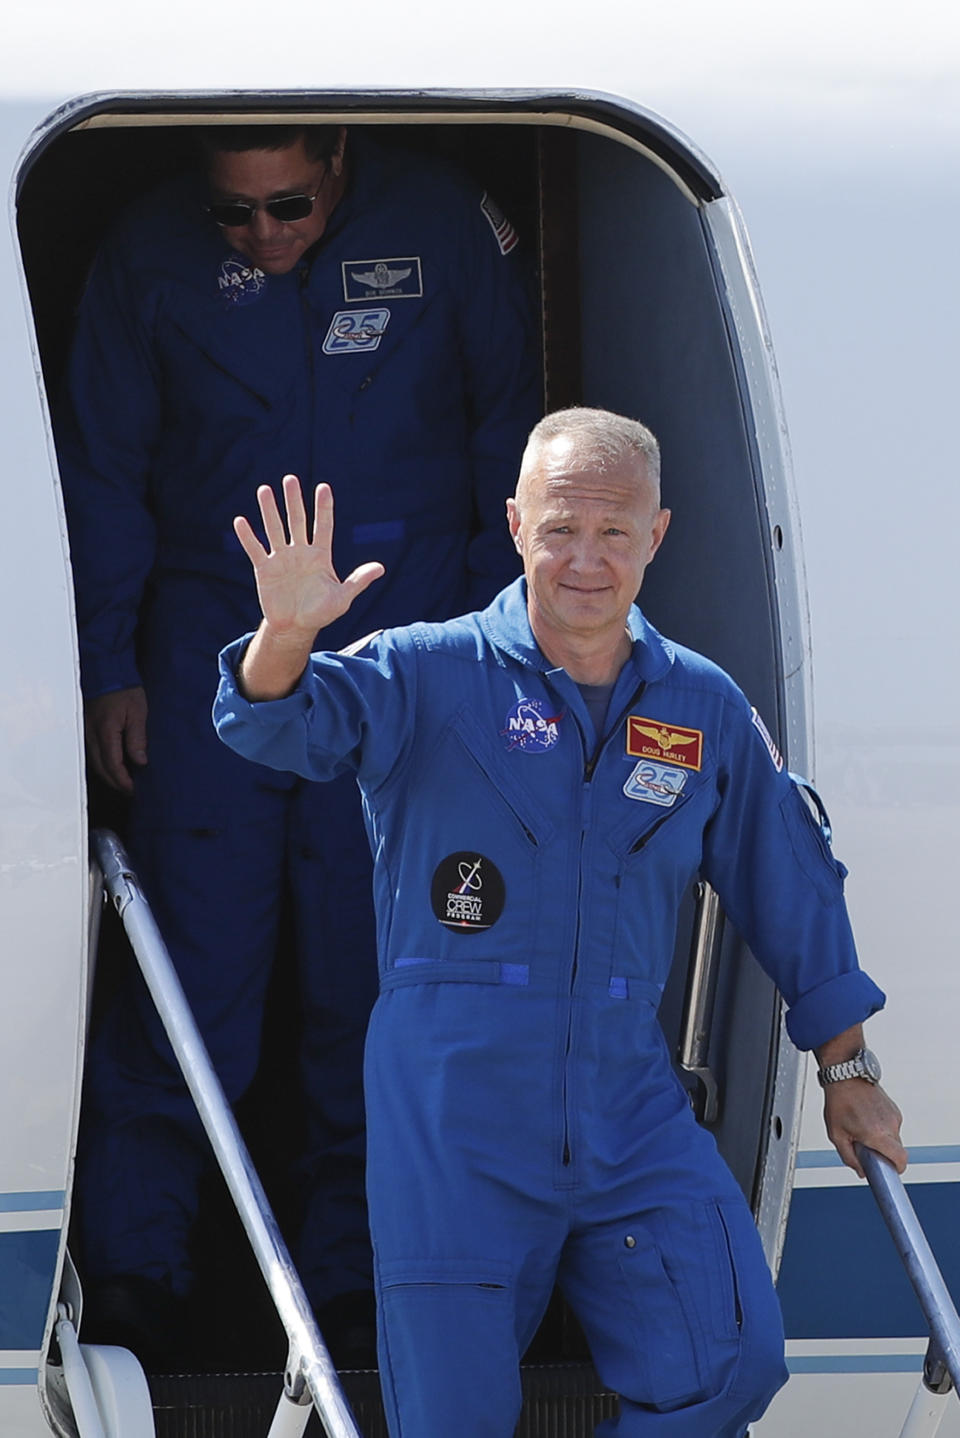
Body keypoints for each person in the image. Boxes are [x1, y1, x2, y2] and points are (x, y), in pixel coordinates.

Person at [213, 407, 906, 1435]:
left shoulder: (700, 707)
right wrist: (287, 634)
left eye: (614, 532)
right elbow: (277, 722)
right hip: (454, 1123)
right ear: (515, 525)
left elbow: (789, 881)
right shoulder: (426, 672)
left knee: (731, 1359)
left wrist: (848, 1071)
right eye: (560, 529)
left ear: (656, 535)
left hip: (627, 1107)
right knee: (454, 1418)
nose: (586, 558)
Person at [56, 121, 538, 1361]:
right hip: (205, 650)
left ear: (336, 161)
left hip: (400, 655)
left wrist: (500, 661)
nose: (265, 235)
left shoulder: (451, 227)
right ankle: (138, 1271)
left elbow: (514, 459)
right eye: (234, 216)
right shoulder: (141, 259)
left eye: (289, 207)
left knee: (369, 980)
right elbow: (101, 471)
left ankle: (359, 1278)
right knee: (190, 969)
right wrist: (108, 664)